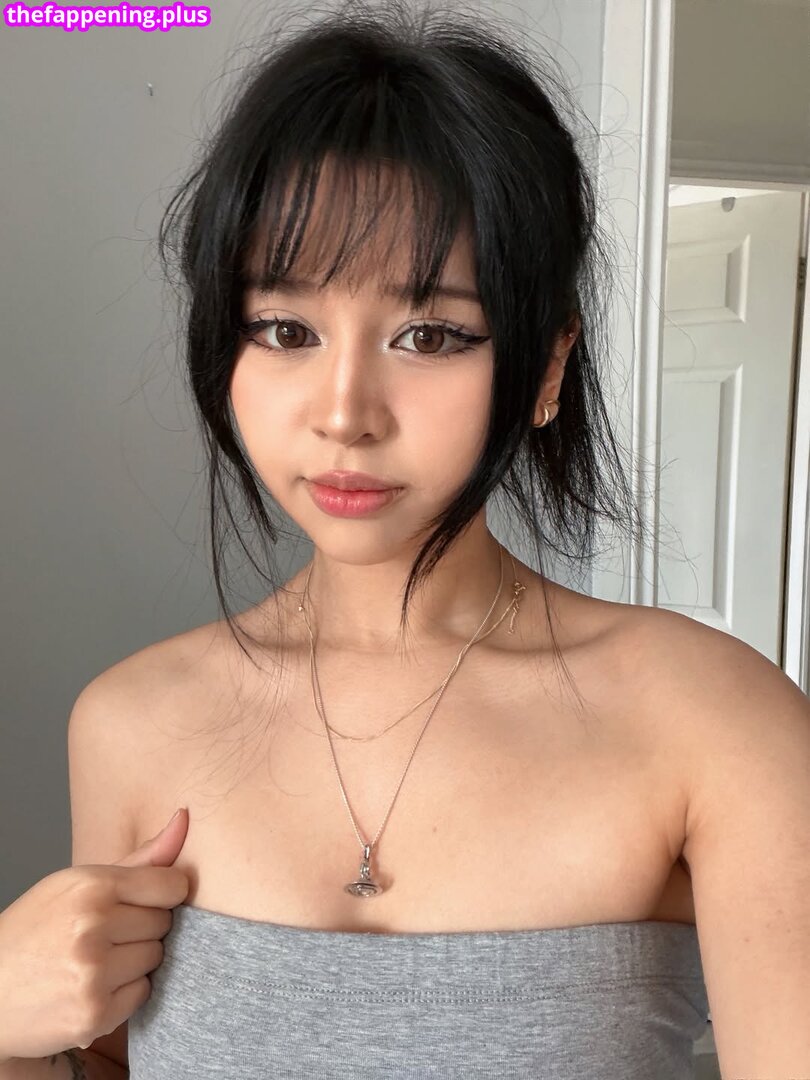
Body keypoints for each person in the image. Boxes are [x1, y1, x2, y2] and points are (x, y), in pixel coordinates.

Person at [3, 1, 808, 1078]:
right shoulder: (130, 724)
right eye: (285, 329)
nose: (345, 412)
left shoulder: (717, 725)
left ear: (547, 365)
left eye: (430, 335)